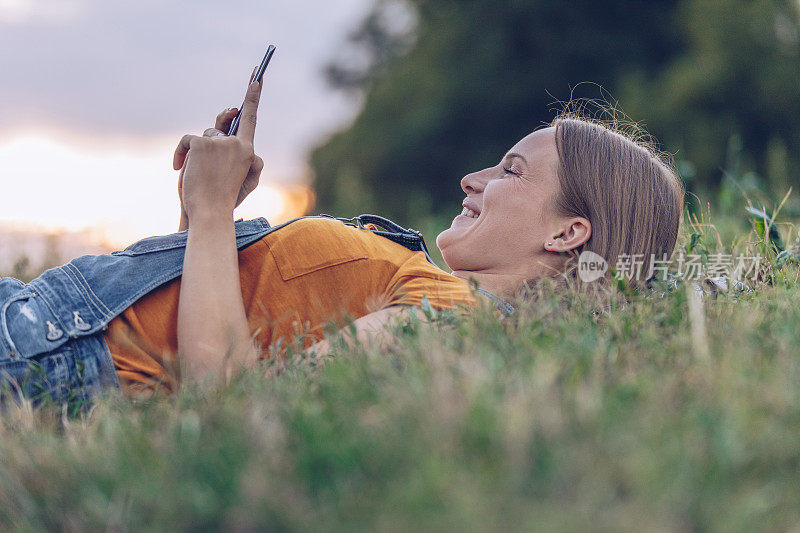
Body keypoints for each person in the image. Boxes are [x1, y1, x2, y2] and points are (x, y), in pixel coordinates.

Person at [0, 80, 683, 404]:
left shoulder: (450, 320)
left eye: (511, 171)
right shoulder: (430, 286)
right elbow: (190, 337)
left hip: (47, 356)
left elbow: (231, 398)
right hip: (49, 325)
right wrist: (206, 220)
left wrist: (211, 214)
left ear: (569, 232)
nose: (473, 179)